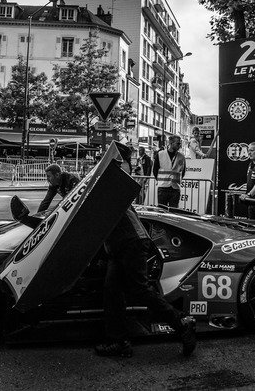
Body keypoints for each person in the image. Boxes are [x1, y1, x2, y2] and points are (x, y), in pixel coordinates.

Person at [94, 142, 196, 358]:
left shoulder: (117, 176)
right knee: (112, 292)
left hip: (131, 241)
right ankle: (120, 341)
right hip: (119, 244)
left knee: (138, 289)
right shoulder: (110, 176)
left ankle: (181, 324)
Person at [153, 135, 186, 208]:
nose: (179, 146)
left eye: (180, 144)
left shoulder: (181, 157)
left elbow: (183, 171)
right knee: (162, 211)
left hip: (175, 188)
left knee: (174, 212)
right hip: (163, 187)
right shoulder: (160, 154)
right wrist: (161, 181)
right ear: (171, 143)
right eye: (178, 143)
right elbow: (155, 170)